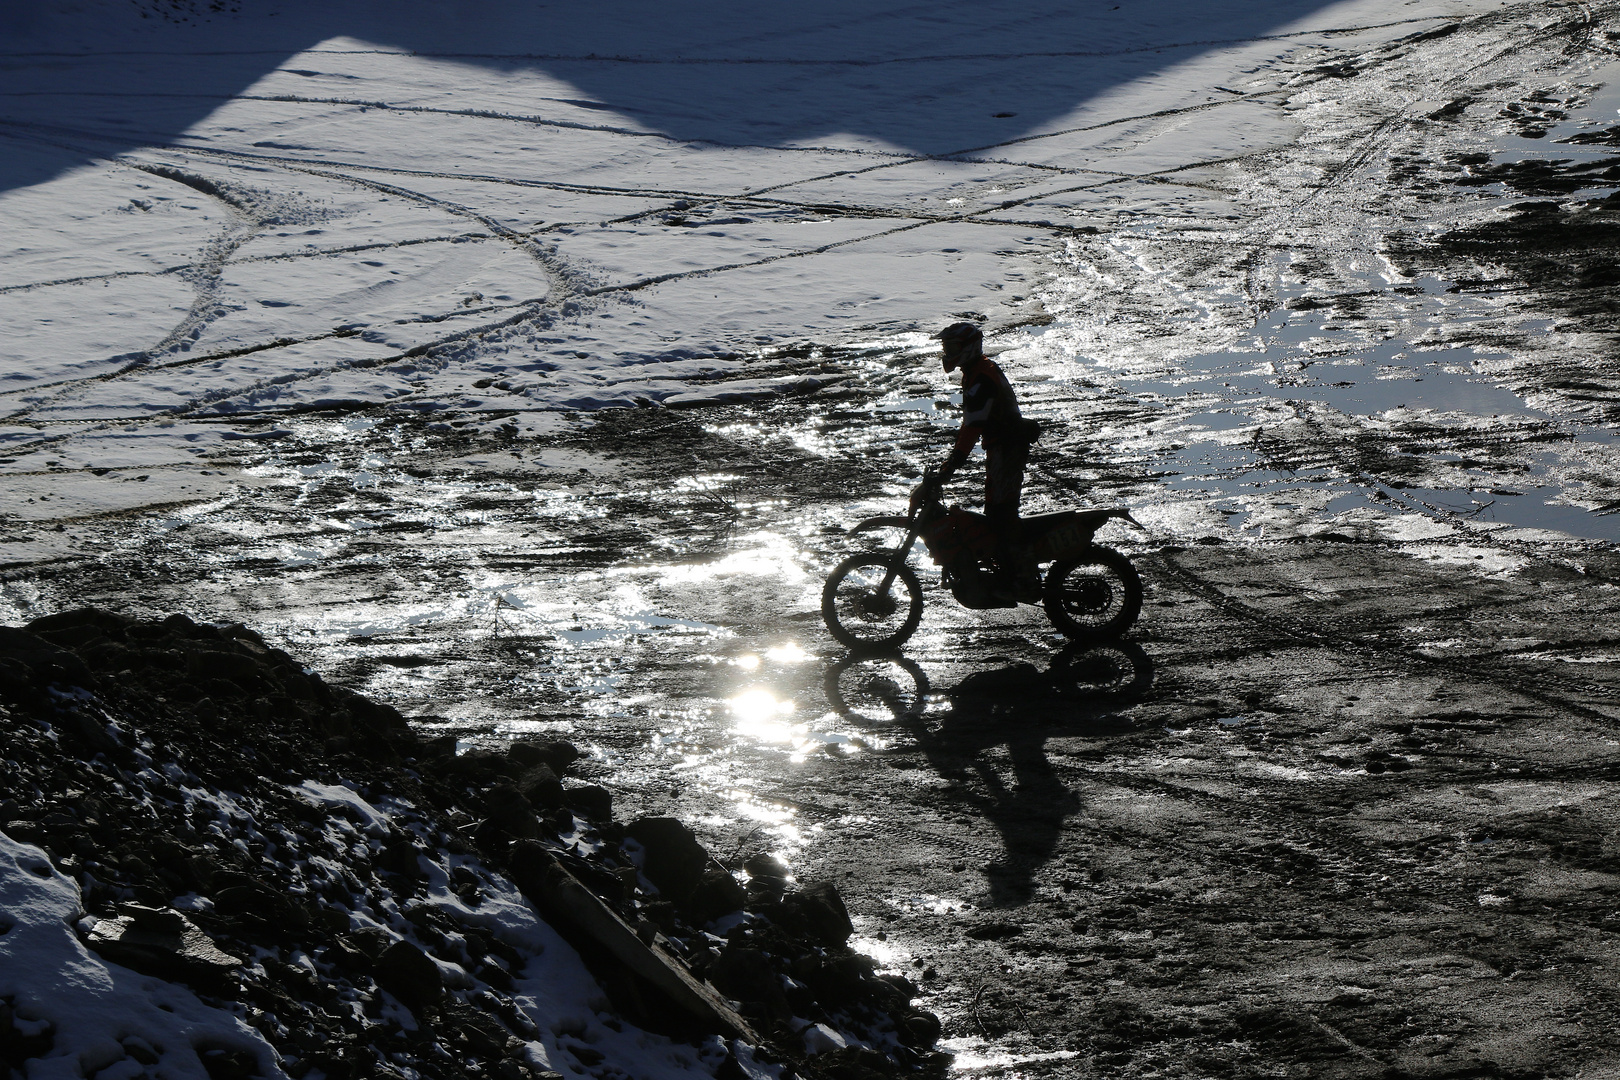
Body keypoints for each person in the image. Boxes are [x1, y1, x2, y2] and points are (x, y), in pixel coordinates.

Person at [932, 321, 1040, 602]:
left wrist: (953, 462)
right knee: (995, 511)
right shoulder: (976, 372)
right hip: (1000, 448)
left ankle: (1025, 577)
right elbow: (972, 424)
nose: (948, 352)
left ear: (968, 347)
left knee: (1003, 514)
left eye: (952, 347)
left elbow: (972, 425)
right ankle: (1006, 572)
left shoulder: (981, 376)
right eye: (946, 347)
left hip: (1007, 448)